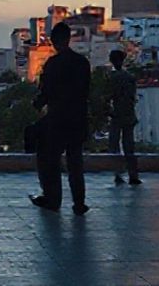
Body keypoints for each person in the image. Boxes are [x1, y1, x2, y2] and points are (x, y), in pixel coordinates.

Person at [30, 22, 91, 215]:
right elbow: (86, 91)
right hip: (78, 118)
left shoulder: (53, 64)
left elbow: (45, 92)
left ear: (54, 41)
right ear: (69, 39)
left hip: (57, 119)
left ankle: (52, 198)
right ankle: (79, 203)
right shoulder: (82, 63)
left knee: (50, 160)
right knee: (75, 162)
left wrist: (37, 104)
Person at [108, 49, 141, 186]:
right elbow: (132, 96)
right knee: (129, 146)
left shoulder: (111, 78)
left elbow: (108, 96)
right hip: (128, 114)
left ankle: (118, 174)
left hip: (116, 115)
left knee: (114, 146)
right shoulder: (129, 77)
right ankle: (133, 175)